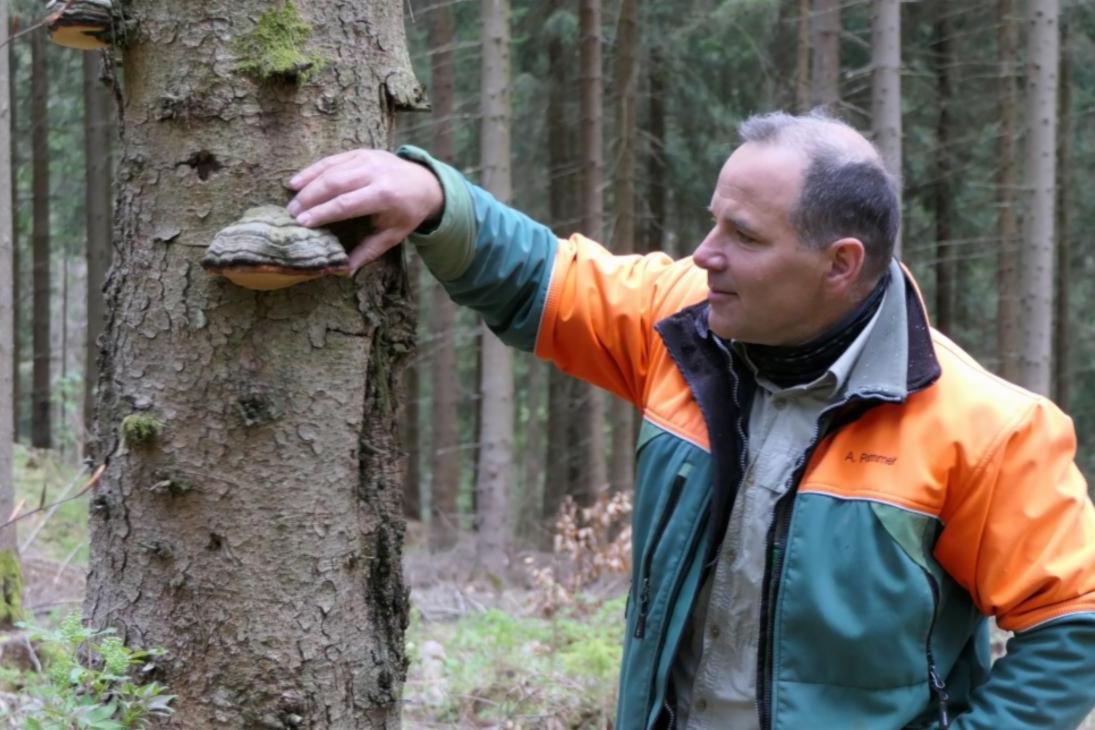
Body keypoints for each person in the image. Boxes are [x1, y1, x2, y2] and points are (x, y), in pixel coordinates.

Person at [286, 111, 1095, 729]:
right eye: (714, 220)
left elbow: (1074, 621)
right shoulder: (681, 325)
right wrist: (434, 200)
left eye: (741, 235)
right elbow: (540, 279)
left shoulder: (988, 428)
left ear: (839, 263)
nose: (704, 252)